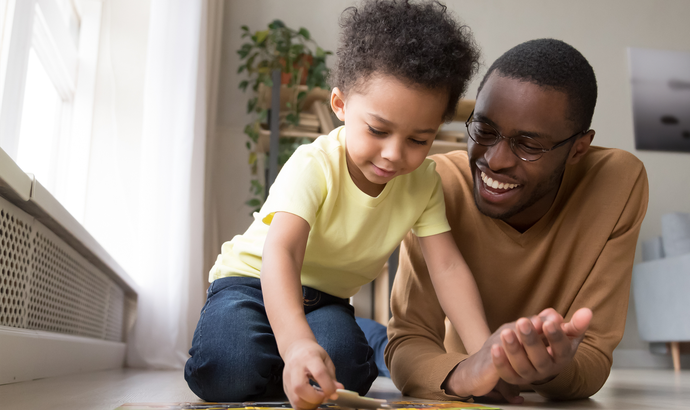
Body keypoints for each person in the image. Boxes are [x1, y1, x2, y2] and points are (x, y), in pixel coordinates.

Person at [184, 1, 485, 407]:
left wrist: (485, 351)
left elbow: (447, 267)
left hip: (326, 300)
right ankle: (275, 345)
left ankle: (311, 343)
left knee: (346, 372)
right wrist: (295, 348)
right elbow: (284, 252)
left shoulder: (424, 183)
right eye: (378, 130)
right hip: (251, 283)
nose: (395, 154)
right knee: (229, 371)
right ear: (341, 105)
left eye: (419, 140)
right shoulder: (315, 164)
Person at [381, 38, 649, 401]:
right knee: (358, 344)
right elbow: (407, 343)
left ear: (577, 150)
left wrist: (554, 368)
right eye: (485, 131)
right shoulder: (437, 184)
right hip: (453, 358)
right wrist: (465, 374)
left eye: (528, 145)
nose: (495, 159)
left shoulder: (618, 183)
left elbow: (594, 358)